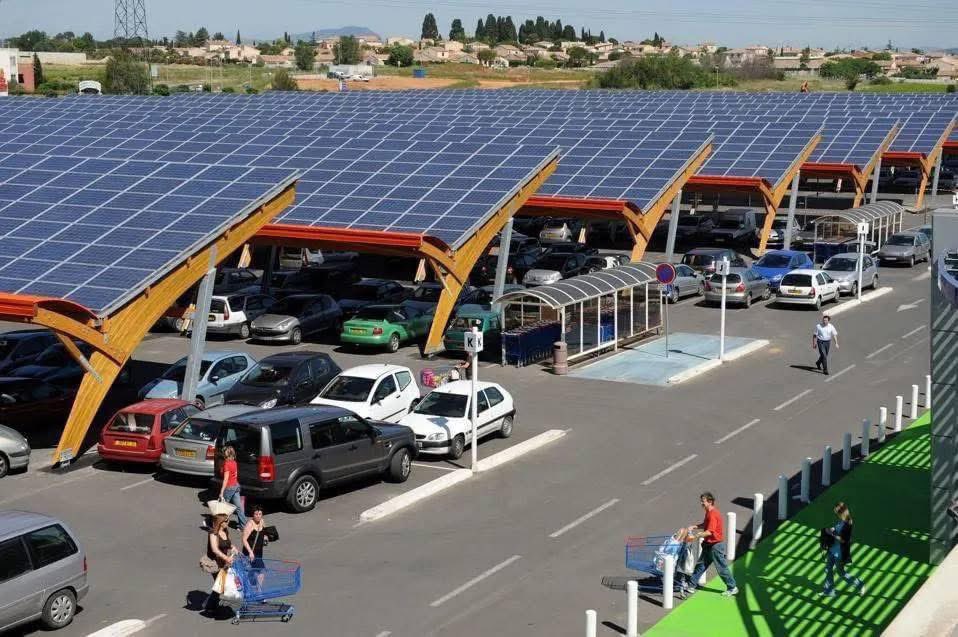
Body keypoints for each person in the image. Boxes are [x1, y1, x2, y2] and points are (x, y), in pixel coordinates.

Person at [684, 492, 738, 597]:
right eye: (701, 501)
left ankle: (732, 587)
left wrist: (696, 536)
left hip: (715, 545)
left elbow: (710, 531)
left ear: (710, 502)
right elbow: (706, 524)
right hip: (708, 544)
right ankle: (691, 585)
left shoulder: (713, 514)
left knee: (721, 567)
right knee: (701, 565)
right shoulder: (709, 512)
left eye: (703, 501)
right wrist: (694, 526)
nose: (701, 503)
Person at [821, 502, 865, 597]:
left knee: (841, 573)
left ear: (842, 513)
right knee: (828, 569)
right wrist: (832, 529)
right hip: (833, 550)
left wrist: (832, 534)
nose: (836, 515)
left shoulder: (848, 524)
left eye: (837, 513)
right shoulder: (842, 521)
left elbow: (843, 540)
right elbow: (837, 530)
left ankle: (860, 585)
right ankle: (829, 591)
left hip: (839, 553)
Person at [203, 513, 235, 613]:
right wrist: (226, 557)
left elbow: (228, 543)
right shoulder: (213, 533)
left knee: (220, 585)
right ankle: (209, 605)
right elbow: (215, 549)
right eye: (226, 521)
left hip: (224, 563)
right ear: (220, 522)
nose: (228, 522)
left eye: (228, 520)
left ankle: (211, 604)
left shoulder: (225, 531)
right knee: (220, 585)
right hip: (215, 563)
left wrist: (233, 547)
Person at [218, 445, 248, 530]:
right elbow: (236, 475)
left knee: (224, 507)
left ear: (225, 454)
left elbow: (226, 479)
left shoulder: (226, 464)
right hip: (235, 485)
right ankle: (243, 526)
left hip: (229, 487)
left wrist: (221, 492)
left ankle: (220, 525)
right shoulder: (234, 462)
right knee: (239, 507)